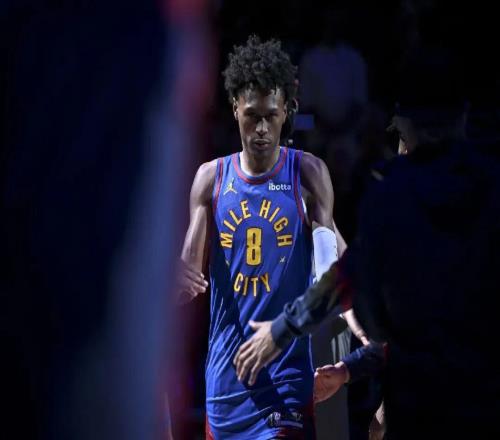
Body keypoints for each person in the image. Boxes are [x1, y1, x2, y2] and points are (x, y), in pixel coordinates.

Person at [232, 47, 500, 439]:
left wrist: (283, 328)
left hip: (418, 394)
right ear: (462, 116)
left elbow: (354, 285)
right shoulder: (493, 184)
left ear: (405, 125)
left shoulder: (390, 194)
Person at [178, 35, 348, 439]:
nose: (260, 128)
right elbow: (185, 280)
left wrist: (352, 345)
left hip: (287, 383)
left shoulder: (306, 173)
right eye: (251, 114)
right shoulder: (211, 179)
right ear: (234, 107)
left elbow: (333, 267)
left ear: (287, 110)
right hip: (226, 385)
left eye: (271, 116)